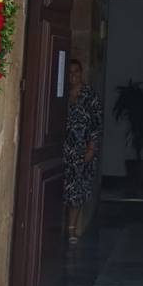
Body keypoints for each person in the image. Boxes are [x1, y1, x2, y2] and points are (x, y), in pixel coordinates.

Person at [62, 59, 102, 245]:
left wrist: (91, 148)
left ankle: (71, 230)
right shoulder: (62, 94)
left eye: (76, 71)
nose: (73, 75)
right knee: (62, 188)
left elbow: (97, 124)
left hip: (82, 150)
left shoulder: (90, 96)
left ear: (81, 72)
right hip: (64, 149)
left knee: (76, 191)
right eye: (70, 72)